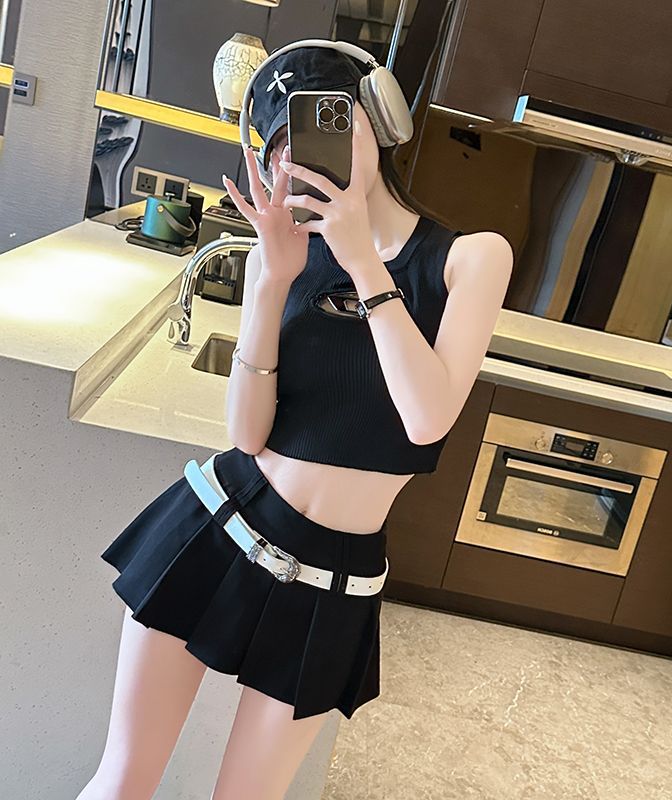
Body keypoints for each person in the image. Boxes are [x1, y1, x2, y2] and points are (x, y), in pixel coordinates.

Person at [81, 42, 512, 800]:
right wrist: (271, 281)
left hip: (334, 579)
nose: (302, 157)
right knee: (123, 782)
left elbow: (426, 419)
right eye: (282, 143)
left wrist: (363, 262)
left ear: (380, 121)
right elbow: (247, 436)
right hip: (223, 525)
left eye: (325, 124)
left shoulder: (471, 259)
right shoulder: (280, 255)